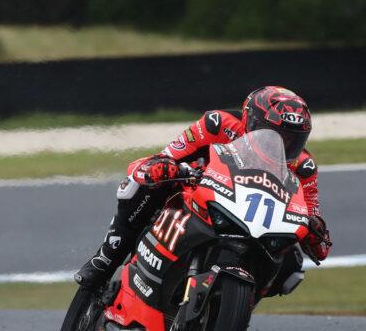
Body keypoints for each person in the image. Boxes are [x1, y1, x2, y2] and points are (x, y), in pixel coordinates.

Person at [75, 86, 332, 297]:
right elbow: (166, 157)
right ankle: (107, 257)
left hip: (255, 223)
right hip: (199, 196)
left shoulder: (304, 166)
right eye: (275, 134)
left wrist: (315, 230)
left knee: (291, 263)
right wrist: (165, 168)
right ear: (252, 121)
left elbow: (311, 217)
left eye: (292, 139)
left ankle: (231, 318)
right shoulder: (217, 123)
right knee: (143, 180)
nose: (283, 144)